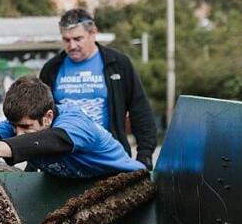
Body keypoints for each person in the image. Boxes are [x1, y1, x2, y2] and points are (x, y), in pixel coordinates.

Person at [39, 9, 157, 170]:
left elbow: (140, 111)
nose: (72, 46)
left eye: (78, 38)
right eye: (66, 40)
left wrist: (145, 156)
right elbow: (39, 116)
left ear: (93, 33)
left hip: (109, 159)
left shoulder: (118, 64)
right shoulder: (51, 69)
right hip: (66, 162)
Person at [0, 75, 145, 179]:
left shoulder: (75, 124)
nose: (18, 134)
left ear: (48, 117)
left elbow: (48, 141)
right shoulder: (19, 124)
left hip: (127, 181)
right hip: (78, 187)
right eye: (14, 126)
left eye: (25, 126)